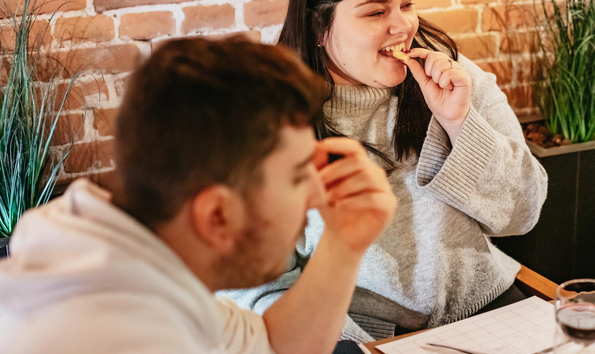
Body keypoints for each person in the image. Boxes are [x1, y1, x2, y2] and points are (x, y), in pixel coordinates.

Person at [221, 0, 549, 342]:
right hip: (357, 335)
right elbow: (255, 284)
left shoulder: (455, 77)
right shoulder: (268, 121)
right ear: (319, 28)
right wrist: (349, 344)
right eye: (376, 13)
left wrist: (460, 124)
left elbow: (524, 214)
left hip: (484, 306)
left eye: (407, 4)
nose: (403, 25)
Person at [0, 36, 397, 354]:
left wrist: (344, 242)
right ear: (217, 216)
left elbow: (274, 345)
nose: (317, 194)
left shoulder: (132, 265)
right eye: (297, 177)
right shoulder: (123, 336)